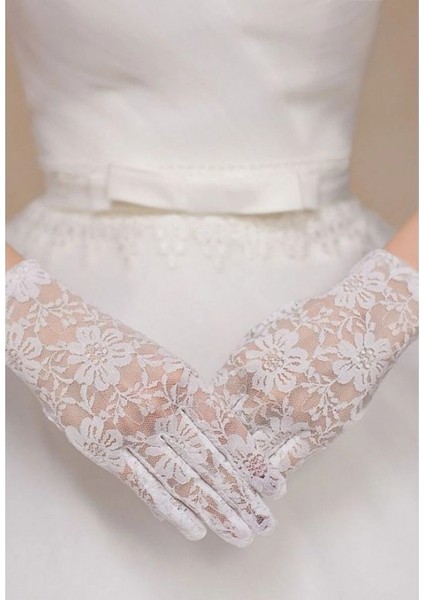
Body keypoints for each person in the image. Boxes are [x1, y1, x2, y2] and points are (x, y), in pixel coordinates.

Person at [6, 2, 418, 599]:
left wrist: (387, 302)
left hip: (346, 315)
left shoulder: (372, 314)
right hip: (58, 303)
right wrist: (33, 320)